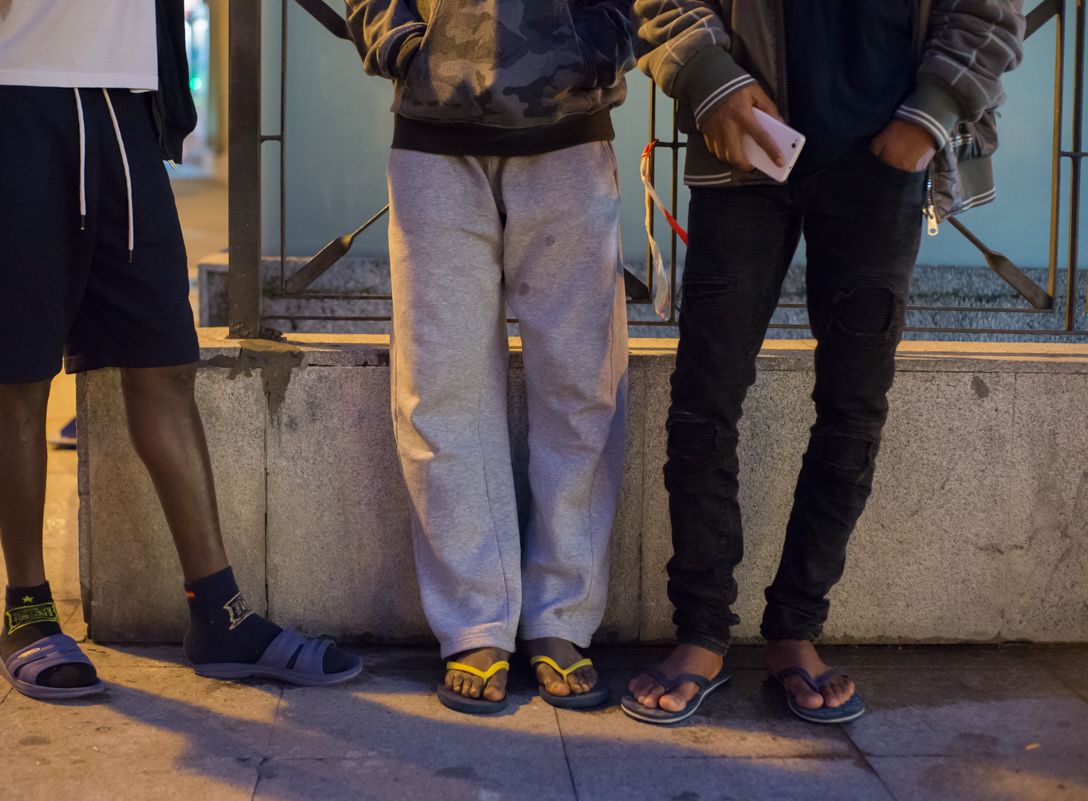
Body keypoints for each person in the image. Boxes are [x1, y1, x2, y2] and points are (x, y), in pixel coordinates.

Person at [0, 0, 362, 699]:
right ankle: (26, 610)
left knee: (165, 361)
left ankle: (220, 614)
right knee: (17, 368)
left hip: (126, 99)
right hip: (3, 89)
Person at [623, 0, 1024, 725]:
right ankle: (701, 632)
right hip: (743, 142)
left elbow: (988, 10)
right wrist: (709, 75)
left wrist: (932, 111)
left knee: (851, 409)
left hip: (884, 155)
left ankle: (796, 629)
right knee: (703, 403)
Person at [347, 0, 636, 713]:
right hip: (433, 131)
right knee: (438, 382)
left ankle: (562, 612)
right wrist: (405, 44)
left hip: (571, 123)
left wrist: (598, 40)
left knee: (581, 383)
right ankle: (475, 617)